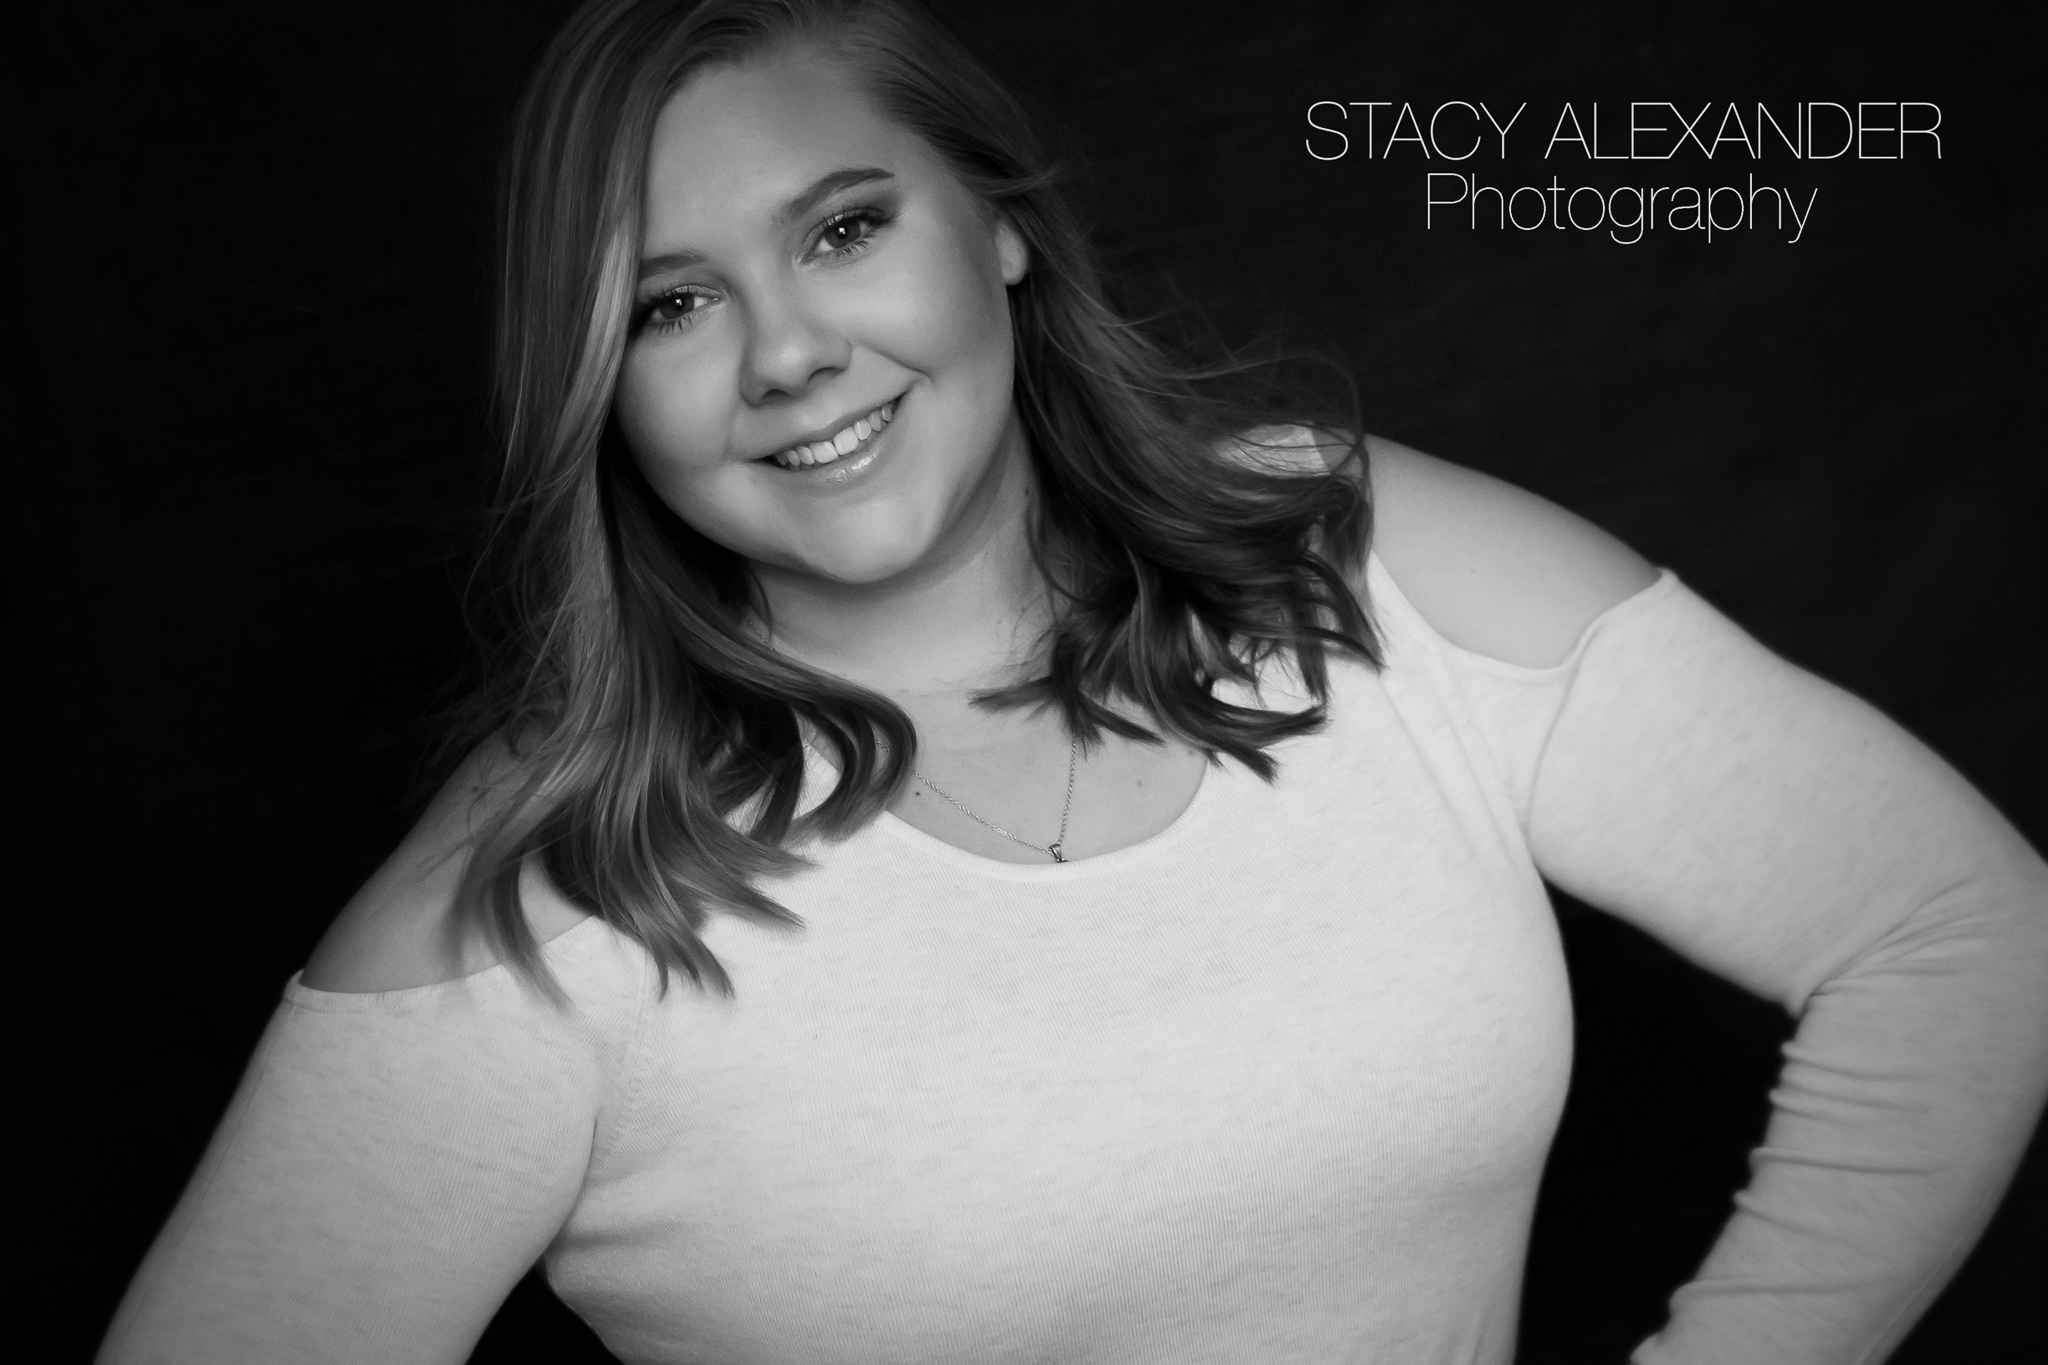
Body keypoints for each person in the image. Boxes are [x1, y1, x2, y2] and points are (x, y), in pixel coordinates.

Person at [95, 0, 2048, 1361]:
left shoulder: (1355, 565)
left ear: (1003, 230)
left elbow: (1967, 934)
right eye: (671, 303)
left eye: (843, 228)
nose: (786, 353)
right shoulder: (535, 910)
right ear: (595, 383)